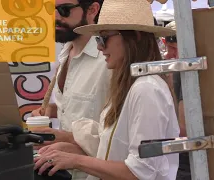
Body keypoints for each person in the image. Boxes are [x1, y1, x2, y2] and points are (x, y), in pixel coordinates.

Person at [34, 0, 180, 179]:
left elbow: (140, 172)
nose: (99, 46)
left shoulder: (146, 89)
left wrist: (75, 160)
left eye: (104, 38)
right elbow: (113, 146)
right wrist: (71, 146)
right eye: (98, 39)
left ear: (135, 37)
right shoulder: (132, 85)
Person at [31, 0, 109, 179]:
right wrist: (53, 110)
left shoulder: (109, 60)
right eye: (50, 9)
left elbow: (123, 133)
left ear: (92, 9)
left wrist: (67, 139)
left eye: (64, 10)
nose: (55, 17)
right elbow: (89, 106)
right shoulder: (66, 52)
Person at [164, 21, 191, 180]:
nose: (168, 55)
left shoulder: (185, 72)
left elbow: (183, 130)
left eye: (173, 49)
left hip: (186, 166)